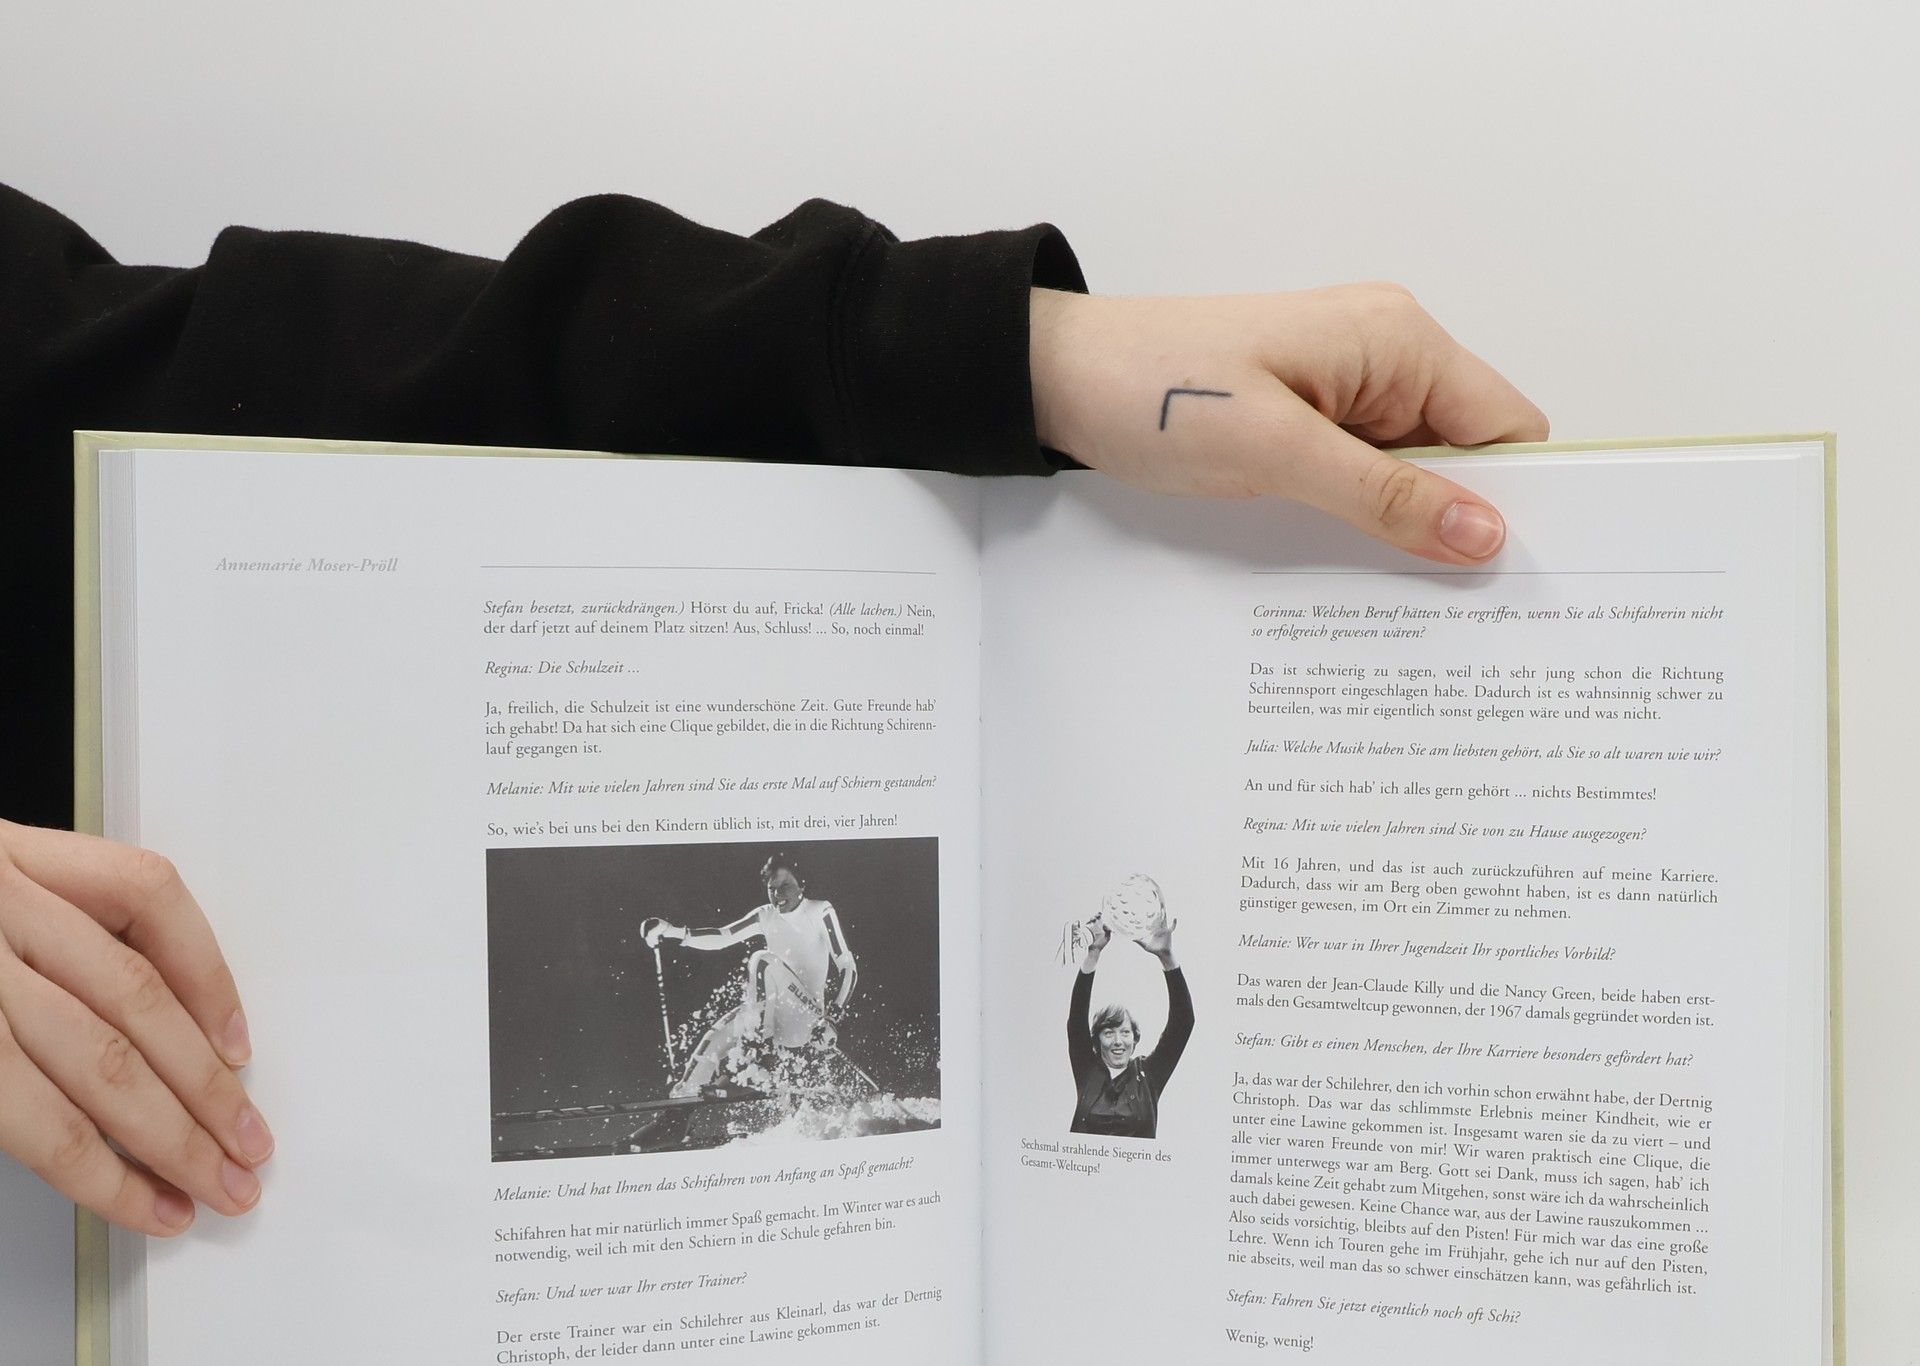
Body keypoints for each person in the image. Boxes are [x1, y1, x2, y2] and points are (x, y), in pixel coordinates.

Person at [0, 183, 1548, 1235]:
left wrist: (1015, 353)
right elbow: (728, 937)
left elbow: (181, 388)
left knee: (806, 1062)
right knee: (747, 1049)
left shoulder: (953, 986)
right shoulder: (954, 998)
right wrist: (688, 941)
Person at [644, 852, 857, 1100]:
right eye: (771, 889)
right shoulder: (765, 914)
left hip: (805, 1017)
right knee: (715, 1038)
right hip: (772, 1012)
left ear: (802, 885)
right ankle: (680, 1106)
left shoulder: (820, 911)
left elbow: (848, 966)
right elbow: (723, 937)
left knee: (762, 960)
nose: (777, 895)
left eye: (785, 886)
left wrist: (832, 1017)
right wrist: (671, 931)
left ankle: (760, 1068)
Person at [1067, 912, 1193, 1139]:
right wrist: (1093, 953)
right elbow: (1076, 1019)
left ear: (1134, 1040)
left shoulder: (1149, 1074)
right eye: (1109, 1033)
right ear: (1097, 1041)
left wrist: (1166, 957)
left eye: (1125, 1032)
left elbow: (1183, 1023)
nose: (1118, 1041)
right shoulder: (1087, 1069)